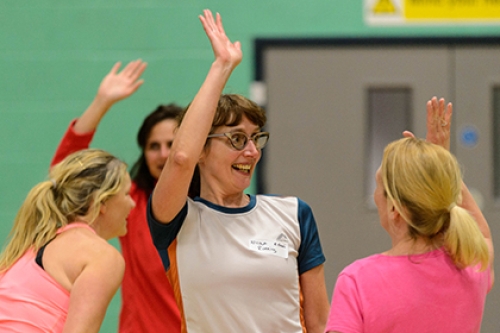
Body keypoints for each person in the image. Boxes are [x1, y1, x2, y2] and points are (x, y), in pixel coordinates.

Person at [147, 9, 330, 333]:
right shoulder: (176, 220)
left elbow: (319, 323)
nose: (252, 151)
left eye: (256, 138)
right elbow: (180, 158)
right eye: (236, 139)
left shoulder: (294, 214)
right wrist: (222, 67)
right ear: (203, 149)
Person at [325, 97, 494, 333]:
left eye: (378, 188)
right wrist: (437, 164)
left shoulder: (358, 280)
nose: (375, 197)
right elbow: (483, 235)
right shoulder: (471, 265)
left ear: (395, 209)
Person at [51, 60, 183, 332]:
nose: (163, 154)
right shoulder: (131, 202)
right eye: (153, 146)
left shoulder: (210, 204)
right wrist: (102, 102)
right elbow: (65, 172)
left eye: (172, 145)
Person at [0, 149, 135, 332]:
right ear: (101, 202)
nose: (132, 203)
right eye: (126, 194)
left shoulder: (37, 243)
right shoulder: (103, 257)